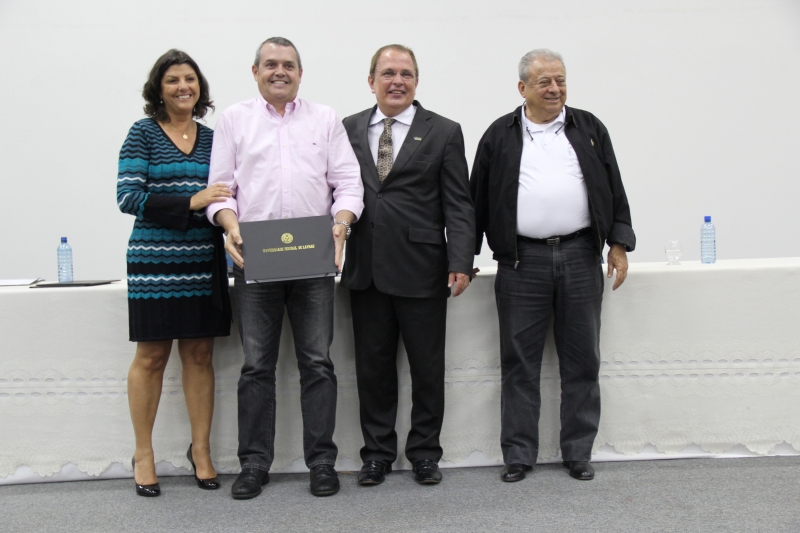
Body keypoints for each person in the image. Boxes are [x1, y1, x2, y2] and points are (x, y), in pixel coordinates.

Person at [206, 37, 364, 499]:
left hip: (314, 262)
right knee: (257, 366)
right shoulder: (234, 119)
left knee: (317, 363)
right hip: (254, 258)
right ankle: (254, 464)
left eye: (289, 65)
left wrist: (341, 225)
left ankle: (322, 463)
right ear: (255, 71)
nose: (280, 71)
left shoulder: (325, 118)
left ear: (300, 73)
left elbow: (348, 183)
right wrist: (229, 226)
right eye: (271, 64)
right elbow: (220, 190)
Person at [470, 49, 635, 483]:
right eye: (544, 81)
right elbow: (476, 202)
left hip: (581, 256)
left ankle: (578, 451)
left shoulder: (590, 128)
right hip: (521, 262)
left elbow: (614, 189)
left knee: (582, 361)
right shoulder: (499, 135)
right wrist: (462, 259)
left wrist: (618, 244)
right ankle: (518, 454)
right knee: (519, 363)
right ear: (522, 88)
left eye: (560, 80)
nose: (554, 89)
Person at [341, 44, 475, 486]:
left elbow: (459, 203)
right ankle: (377, 454)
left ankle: (424, 453)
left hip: (423, 268)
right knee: (373, 370)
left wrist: (461, 259)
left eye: (406, 74)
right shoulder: (348, 128)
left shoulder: (444, 131)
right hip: (365, 270)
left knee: (427, 369)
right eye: (388, 73)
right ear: (371, 81)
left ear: (416, 81)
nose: (397, 81)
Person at [117, 49, 232, 497]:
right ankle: (143, 454)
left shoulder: (213, 138)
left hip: (203, 261)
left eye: (190, 79)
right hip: (154, 265)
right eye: (173, 80)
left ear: (200, 87)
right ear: (158, 89)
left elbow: (228, 194)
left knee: (200, 355)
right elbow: (128, 197)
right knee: (151, 357)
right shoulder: (142, 133)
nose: (183, 87)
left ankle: (200, 451)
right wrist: (190, 202)